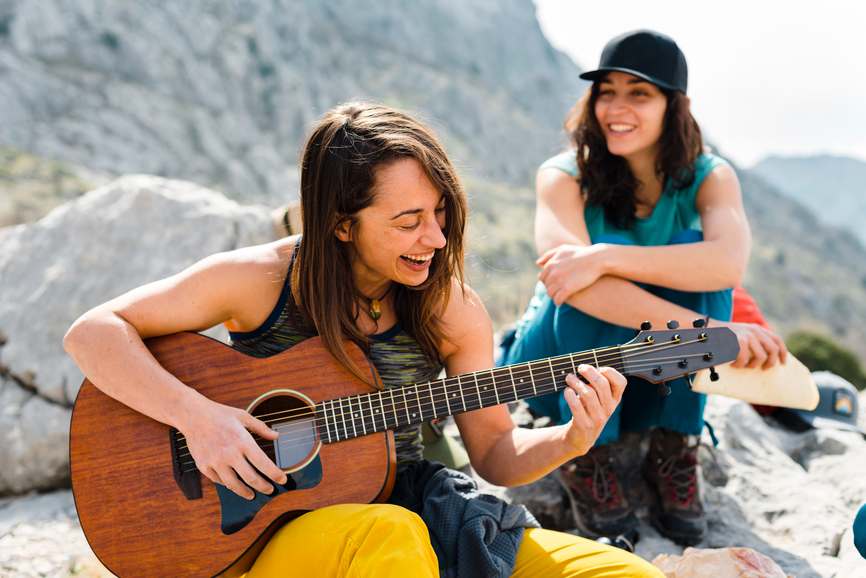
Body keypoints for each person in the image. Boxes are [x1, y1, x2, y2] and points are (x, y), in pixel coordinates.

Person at [63, 103, 664, 577]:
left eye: (441, 213)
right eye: (408, 221)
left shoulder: (452, 309)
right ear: (340, 224)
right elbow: (92, 334)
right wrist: (200, 419)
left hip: (411, 510)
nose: (434, 237)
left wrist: (573, 436)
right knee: (390, 537)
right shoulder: (260, 281)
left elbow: (494, 454)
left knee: (619, 573)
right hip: (261, 542)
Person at [499, 30, 786, 547]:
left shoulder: (709, 176)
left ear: (677, 105)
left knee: (692, 253)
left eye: (639, 93)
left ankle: (675, 446)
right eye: (606, 91)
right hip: (557, 360)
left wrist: (604, 257)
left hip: (646, 368)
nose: (616, 107)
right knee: (590, 285)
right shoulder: (562, 176)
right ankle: (589, 459)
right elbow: (575, 289)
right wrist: (715, 335)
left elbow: (724, 264)